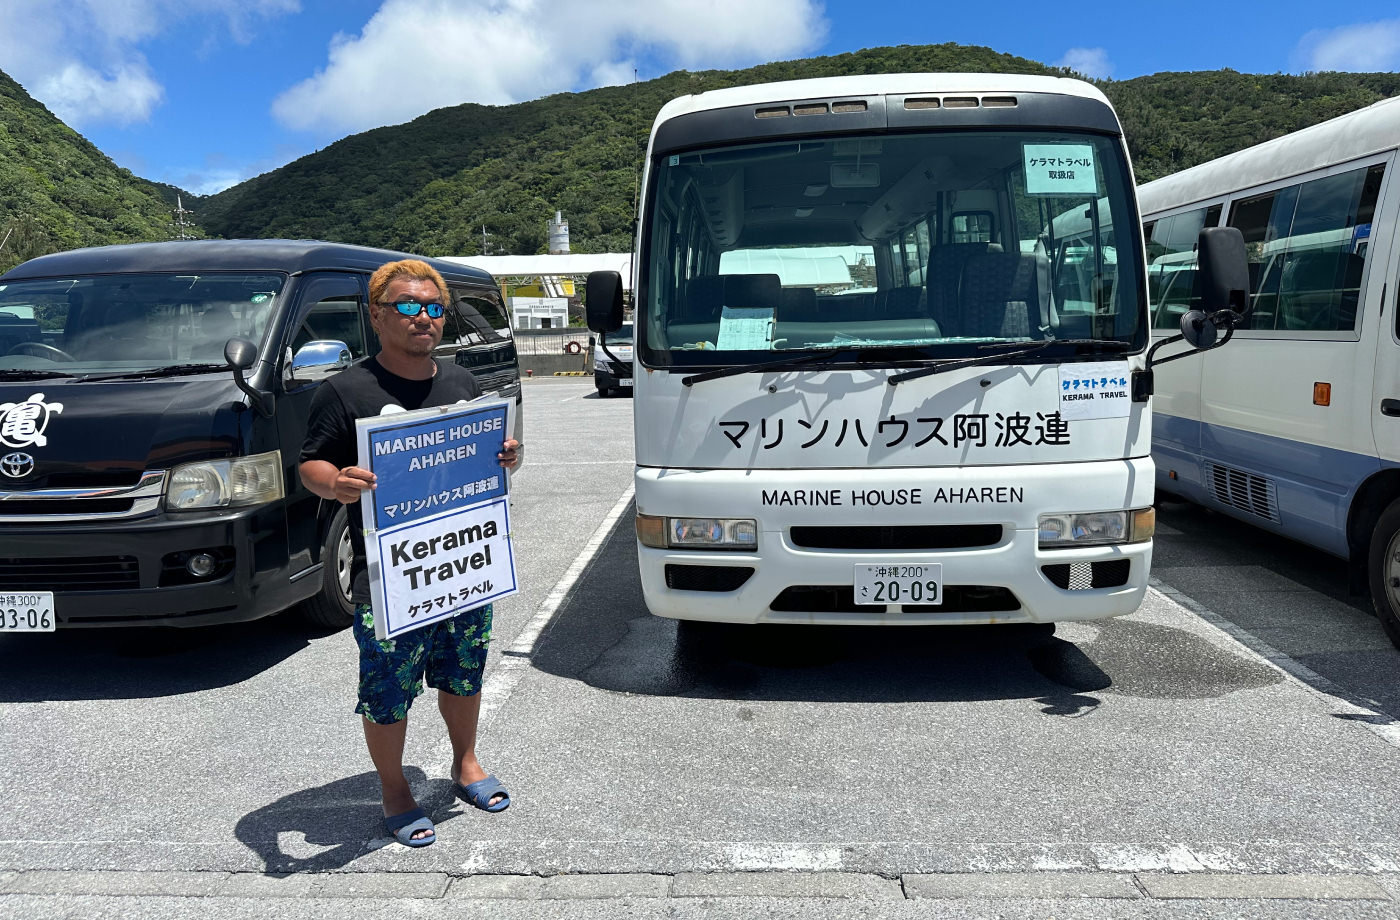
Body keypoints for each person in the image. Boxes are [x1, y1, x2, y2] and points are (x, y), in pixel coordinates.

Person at [299, 258, 520, 848]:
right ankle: (394, 789)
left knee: (464, 671)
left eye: (433, 308)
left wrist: (506, 458)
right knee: (388, 687)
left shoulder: (463, 382)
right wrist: (335, 482)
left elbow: (488, 454)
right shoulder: (344, 390)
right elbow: (309, 464)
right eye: (407, 306)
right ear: (377, 316)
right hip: (388, 574)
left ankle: (465, 761)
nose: (423, 318)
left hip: (462, 563)